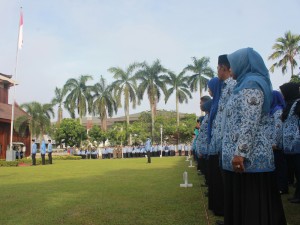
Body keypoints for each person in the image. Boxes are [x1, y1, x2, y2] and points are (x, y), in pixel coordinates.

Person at [222, 48, 286, 225]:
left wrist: (240, 153)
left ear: (243, 64)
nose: (231, 69)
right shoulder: (243, 84)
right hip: (245, 159)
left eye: (233, 64)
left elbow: (249, 121)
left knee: (252, 207)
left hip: (250, 159)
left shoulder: (251, 84)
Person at [280, 82, 300, 203]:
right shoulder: (289, 105)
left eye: (283, 93)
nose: (282, 96)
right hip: (289, 146)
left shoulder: (298, 103)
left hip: (297, 144)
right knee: (296, 171)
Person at [267, 91, 288, 194]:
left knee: (279, 166)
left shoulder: (278, 111)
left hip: (276, 145)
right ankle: (277, 186)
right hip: (271, 143)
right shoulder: (272, 110)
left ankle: (282, 187)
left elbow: (278, 128)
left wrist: (275, 142)